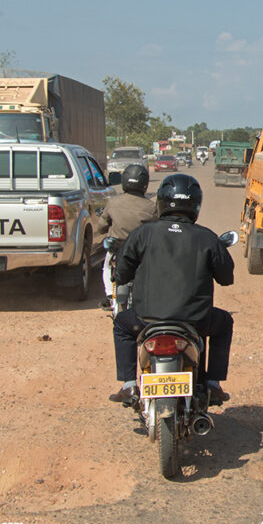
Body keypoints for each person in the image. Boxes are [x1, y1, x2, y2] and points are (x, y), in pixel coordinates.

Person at [108, 173, 236, 406]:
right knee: (224, 323)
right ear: (196, 204)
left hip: (144, 320)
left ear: (161, 201)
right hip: (195, 321)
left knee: (121, 324)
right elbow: (227, 278)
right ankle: (213, 384)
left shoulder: (142, 234)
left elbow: (121, 273)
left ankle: (128, 385)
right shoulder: (207, 238)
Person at [98, 164, 158, 310]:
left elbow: (101, 227)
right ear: (145, 184)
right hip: (141, 252)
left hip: (117, 248)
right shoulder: (151, 207)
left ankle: (109, 295)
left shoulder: (113, 202)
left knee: (106, 266)